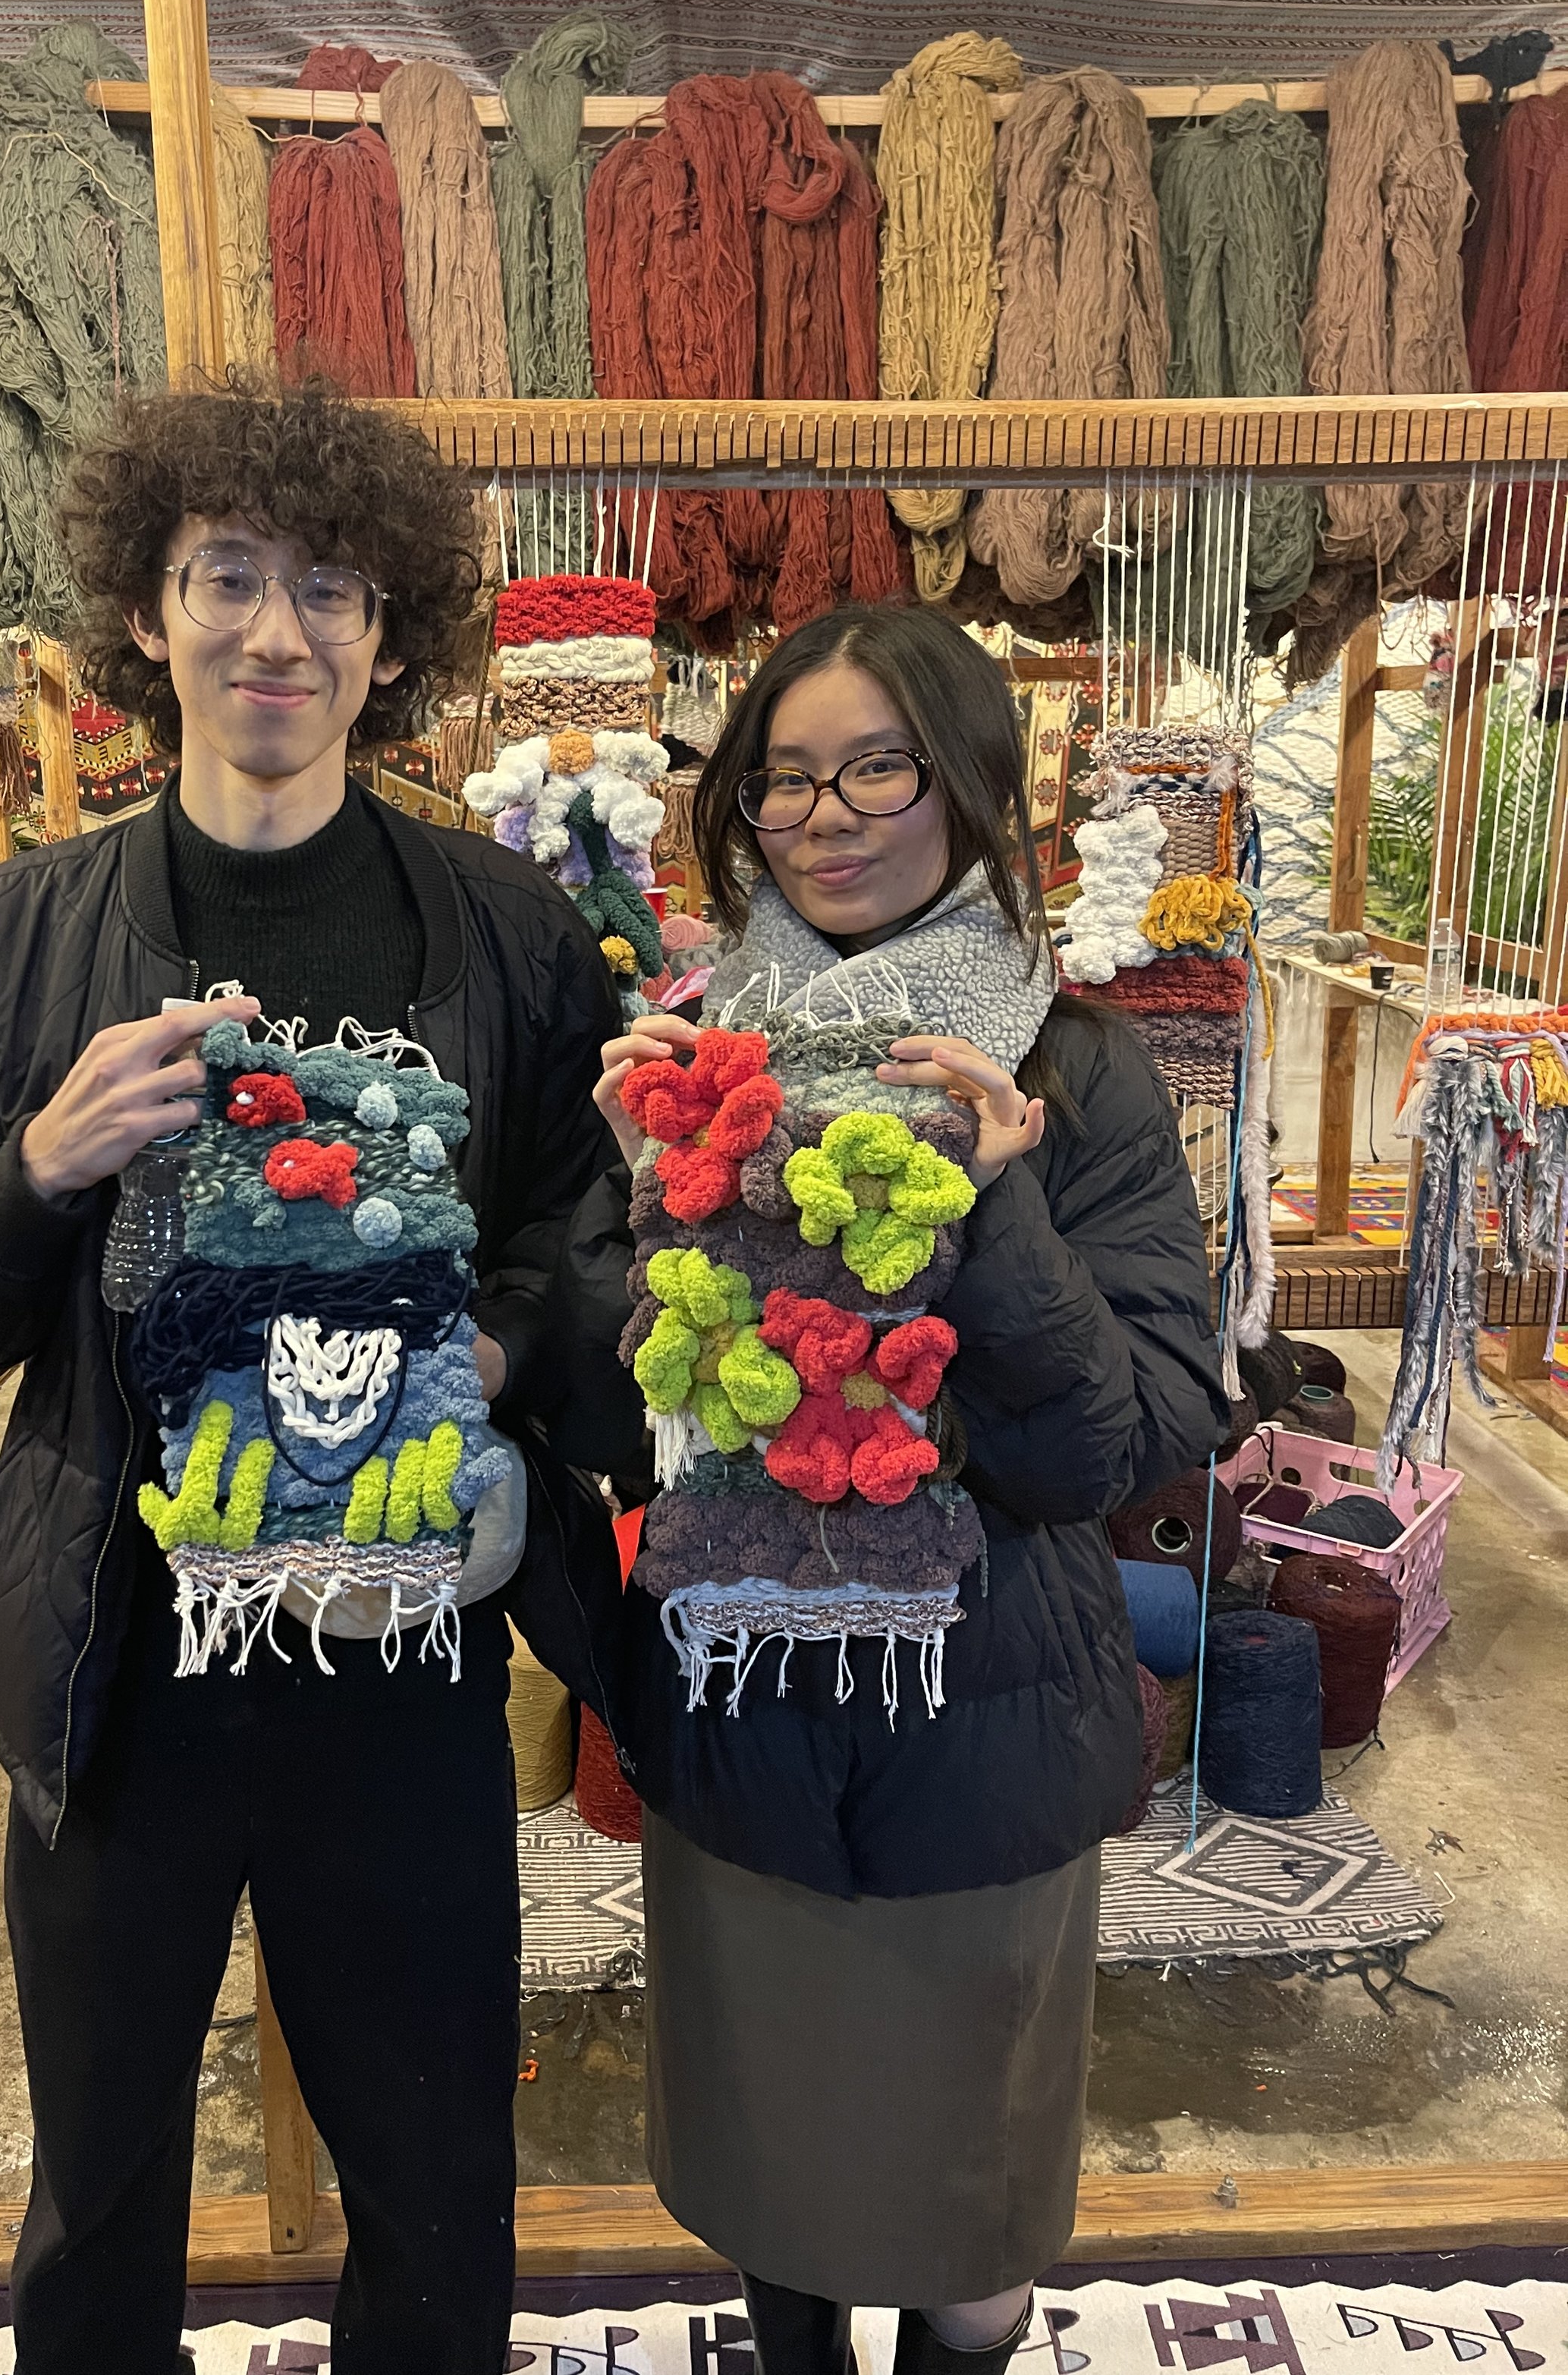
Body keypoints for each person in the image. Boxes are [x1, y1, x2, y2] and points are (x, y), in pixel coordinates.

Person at [0, 379, 626, 2375]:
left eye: (330, 589)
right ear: (146, 609)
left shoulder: (513, 935)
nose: (275, 630)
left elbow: (592, 1237)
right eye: (226, 578)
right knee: (99, 2189)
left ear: (392, 638)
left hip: (405, 1653)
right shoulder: (14, 940)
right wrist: (37, 1162)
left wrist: (499, 1338)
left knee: (440, 2180)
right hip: (120, 1673)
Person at [567, 606, 1230, 2375]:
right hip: (744, 1719)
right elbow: (603, 1382)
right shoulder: (691, 1061)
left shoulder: (1064, 1067)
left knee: (965, 2220)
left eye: (877, 764)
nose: (824, 813)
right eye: (782, 774)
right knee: (770, 2188)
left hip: (979, 1733)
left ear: (969, 787)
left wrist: (992, 1210)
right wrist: (637, 1205)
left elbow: (1129, 1440)